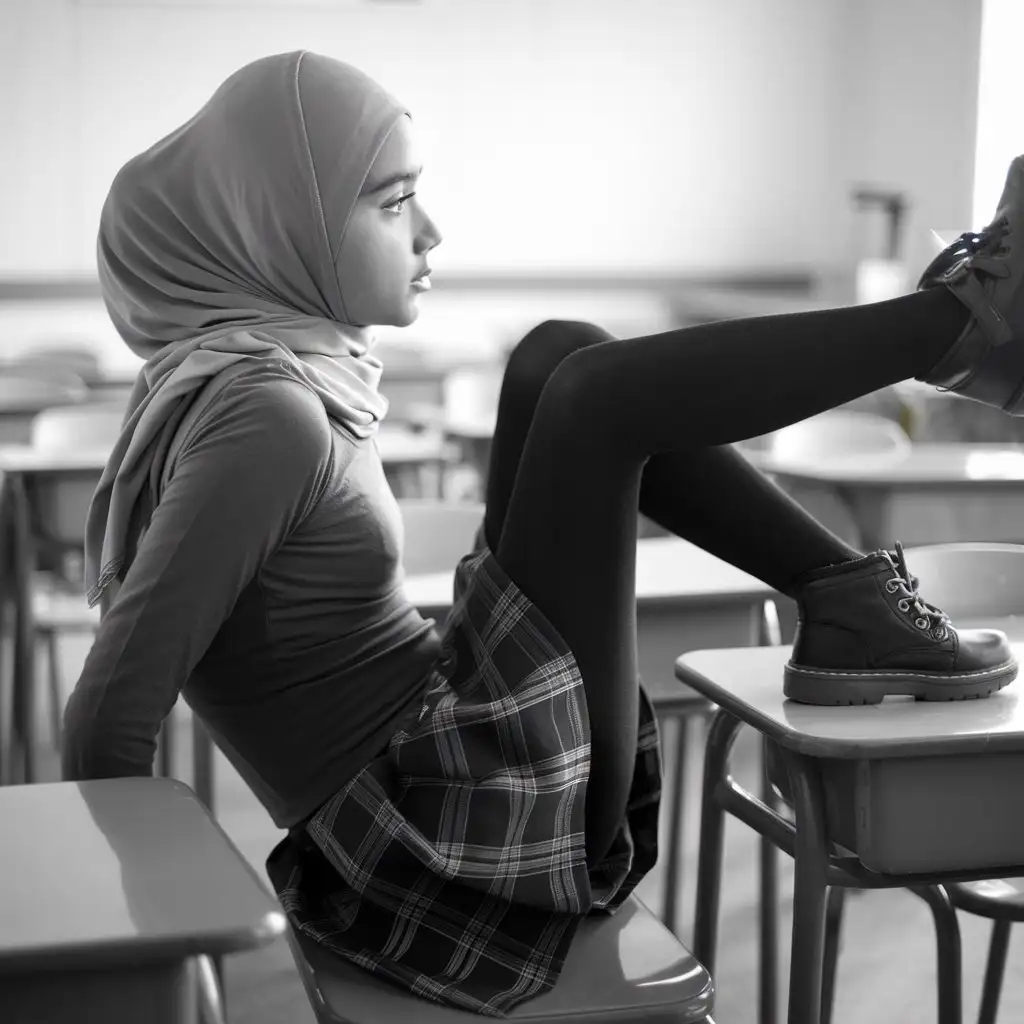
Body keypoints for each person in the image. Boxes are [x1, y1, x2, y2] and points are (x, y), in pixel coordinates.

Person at [61, 49, 1021, 1016]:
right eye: (393, 205)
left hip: (455, 759)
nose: (431, 232)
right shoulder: (268, 415)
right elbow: (105, 719)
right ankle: (964, 322)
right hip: (444, 837)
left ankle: (848, 592)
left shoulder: (258, 380)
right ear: (284, 228)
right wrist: (135, 969)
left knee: (559, 356)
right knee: (596, 398)